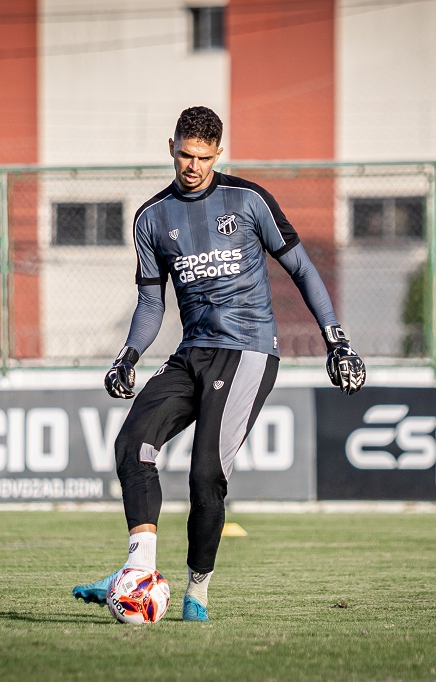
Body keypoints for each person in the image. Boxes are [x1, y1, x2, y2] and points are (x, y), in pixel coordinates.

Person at [72, 106, 365, 622]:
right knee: (132, 443)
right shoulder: (151, 218)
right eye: (185, 154)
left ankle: (197, 593)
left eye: (204, 158)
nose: (193, 166)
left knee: (206, 475)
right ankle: (139, 572)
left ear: (218, 154)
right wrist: (128, 356)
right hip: (192, 352)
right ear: (171, 147)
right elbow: (149, 304)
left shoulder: (248, 200)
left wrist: (335, 340)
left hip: (250, 351)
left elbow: (301, 268)